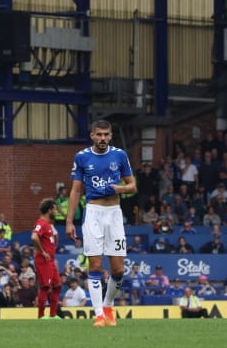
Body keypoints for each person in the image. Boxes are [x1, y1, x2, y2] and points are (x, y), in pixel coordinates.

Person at [66, 119, 136, 328]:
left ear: (111, 136)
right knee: (95, 265)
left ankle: (108, 306)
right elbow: (76, 190)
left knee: (118, 271)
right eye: (99, 134)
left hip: (114, 213)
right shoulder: (82, 157)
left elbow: (132, 186)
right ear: (92, 135)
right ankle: (98, 315)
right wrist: (70, 221)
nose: (103, 138)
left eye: (106, 135)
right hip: (93, 212)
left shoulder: (120, 155)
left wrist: (120, 189)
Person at [31, 198, 62, 319]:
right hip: (43, 260)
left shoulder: (49, 225)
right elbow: (34, 237)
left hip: (50, 261)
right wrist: (42, 251)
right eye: (55, 209)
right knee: (45, 287)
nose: (56, 211)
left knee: (58, 285)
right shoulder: (41, 223)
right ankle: (41, 316)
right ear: (49, 211)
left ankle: (53, 315)